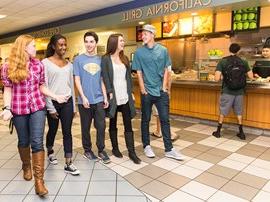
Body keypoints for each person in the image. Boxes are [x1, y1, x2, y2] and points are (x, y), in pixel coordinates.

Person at [0, 35, 68, 196]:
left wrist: (55, 96)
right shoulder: (8, 66)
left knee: (37, 141)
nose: (35, 48)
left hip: (38, 107)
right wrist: (7, 108)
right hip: (18, 108)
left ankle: (39, 182)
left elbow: (42, 86)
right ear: (23, 47)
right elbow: (8, 90)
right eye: (32, 46)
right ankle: (26, 165)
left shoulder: (38, 65)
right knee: (24, 140)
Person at [132, 24, 184, 160]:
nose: (143, 36)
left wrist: (164, 88)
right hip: (147, 92)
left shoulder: (163, 50)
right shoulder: (139, 52)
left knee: (165, 120)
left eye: (145, 34)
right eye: (142, 34)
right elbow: (139, 72)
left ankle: (169, 149)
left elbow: (167, 69)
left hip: (161, 92)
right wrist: (143, 89)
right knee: (145, 120)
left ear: (152, 35)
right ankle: (146, 146)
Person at [42, 34, 80, 175]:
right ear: (53, 46)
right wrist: (50, 107)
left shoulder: (69, 65)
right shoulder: (45, 63)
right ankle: (50, 150)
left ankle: (68, 163)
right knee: (52, 130)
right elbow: (44, 86)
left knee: (67, 132)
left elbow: (72, 86)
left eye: (65, 44)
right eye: (60, 45)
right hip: (53, 102)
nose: (63, 47)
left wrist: (74, 106)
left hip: (67, 102)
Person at [101, 33, 141, 164]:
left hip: (125, 95)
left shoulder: (125, 58)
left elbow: (128, 77)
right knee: (113, 122)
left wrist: (131, 93)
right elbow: (105, 77)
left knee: (128, 124)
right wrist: (110, 92)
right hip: (114, 96)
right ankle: (115, 148)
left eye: (123, 41)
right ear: (114, 43)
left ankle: (132, 152)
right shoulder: (106, 58)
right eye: (121, 41)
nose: (123, 43)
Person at [73, 31, 110, 164]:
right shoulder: (78, 59)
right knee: (85, 127)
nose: (88, 44)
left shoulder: (101, 59)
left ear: (96, 43)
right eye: (86, 41)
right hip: (85, 100)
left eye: (91, 41)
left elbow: (102, 80)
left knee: (101, 126)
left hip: (99, 99)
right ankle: (87, 150)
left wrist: (105, 97)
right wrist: (83, 97)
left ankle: (101, 150)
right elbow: (77, 80)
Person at [212, 43, 253, 140]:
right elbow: (251, 77)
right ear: (238, 51)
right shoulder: (244, 61)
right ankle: (241, 132)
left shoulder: (223, 61)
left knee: (223, 110)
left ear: (229, 49)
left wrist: (223, 76)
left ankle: (218, 131)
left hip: (227, 91)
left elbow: (216, 79)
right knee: (239, 111)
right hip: (240, 92)